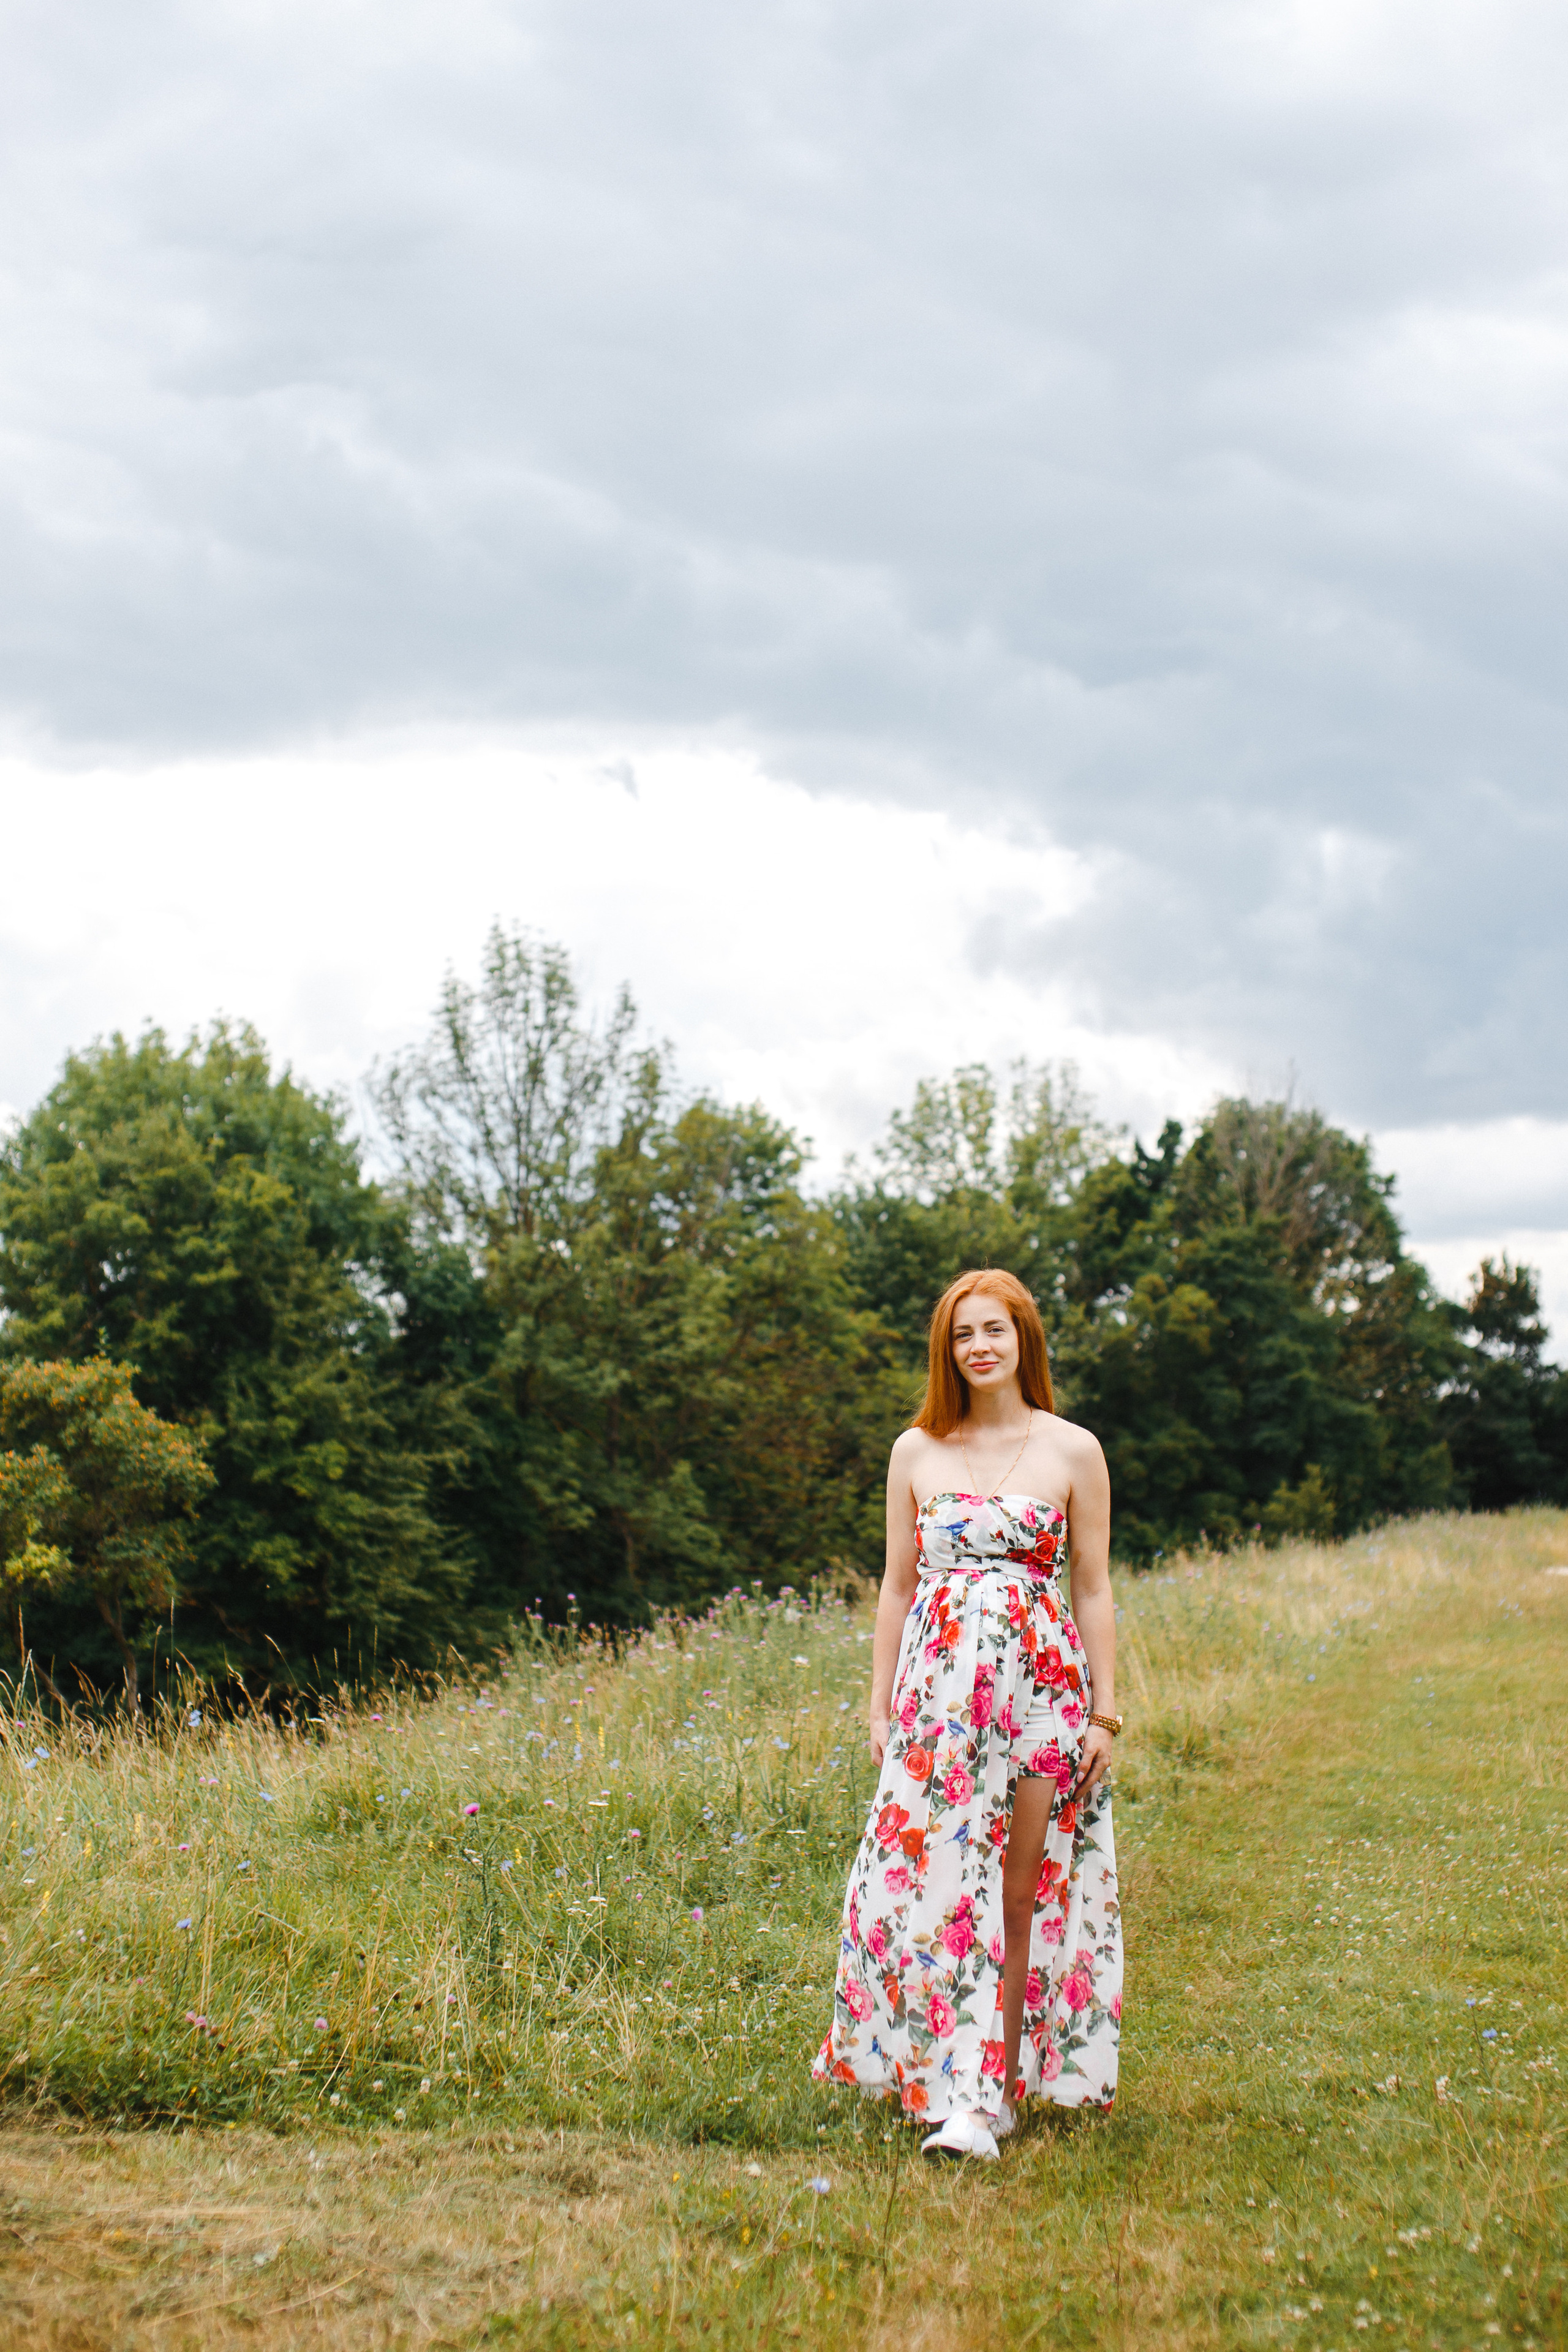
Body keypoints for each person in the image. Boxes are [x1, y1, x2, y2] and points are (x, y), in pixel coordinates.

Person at [812, 1267, 1122, 2159]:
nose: (979, 1346)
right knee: (939, 1883)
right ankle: (954, 2088)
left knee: (1019, 1891)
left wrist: (1106, 1715)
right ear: (947, 1351)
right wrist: (878, 1707)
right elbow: (896, 1587)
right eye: (961, 1335)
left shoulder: (1073, 1450)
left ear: (1025, 1338)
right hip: (940, 1703)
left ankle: (994, 2089)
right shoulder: (918, 1451)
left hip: (1045, 1696)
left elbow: (1093, 1588)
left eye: (994, 1330)